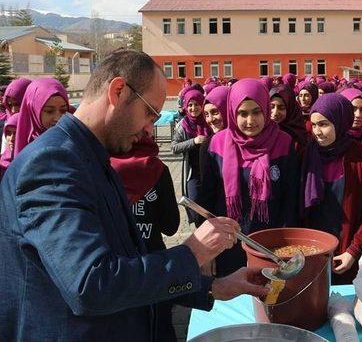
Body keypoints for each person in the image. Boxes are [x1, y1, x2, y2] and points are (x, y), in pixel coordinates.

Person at [0, 49, 268, 341]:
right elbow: (91, 285)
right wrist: (191, 253)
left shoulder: (93, 156)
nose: (149, 129)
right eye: (150, 113)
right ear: (118, 91)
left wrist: (213, 287)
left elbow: (128, 264)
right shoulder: (53, 163)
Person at [198, 78, 300, 276]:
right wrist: (207, 253)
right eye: (242, 113)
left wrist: (286, 248)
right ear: (232, 112)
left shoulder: (284, 143)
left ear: (265, 109)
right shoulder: (214, 145)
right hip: (227, 246)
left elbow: (290, 201)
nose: (250, 121)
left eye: (256, 112)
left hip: (270, 246)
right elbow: (206, 202)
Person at [302, 93, 362, 284]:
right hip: (310, 254)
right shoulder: (306, 154)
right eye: (314, 125)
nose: (317, 132)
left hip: (345, 254)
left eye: (324, 124)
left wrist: (353, 251)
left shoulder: (361, 158)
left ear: (340, 122)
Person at [110, 135, 181, 341]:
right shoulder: (157, 169)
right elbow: (170, 226)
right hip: (154, 264)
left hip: (117, 268)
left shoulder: (101, 167)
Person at [172, 88, 210, 220]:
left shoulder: (209, 121)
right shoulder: (183, 125)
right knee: (194, 205)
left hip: (210, 171)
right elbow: (174, 147)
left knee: (210, 205)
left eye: (197, 104)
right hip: (193, 172)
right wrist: (193, 141)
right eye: (190, 105)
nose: (193, 108)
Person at [13, 77, 69, 156]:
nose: (58, 118)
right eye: (49, 111)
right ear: (33, 111)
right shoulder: (27, 149)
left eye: (63, 111)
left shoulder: (73, 140)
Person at [269, 84, 308, 153]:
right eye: (271, 107)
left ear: (290, 109)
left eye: (281, 108)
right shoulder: (263, 131)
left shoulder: (298, 134)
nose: (275, 113)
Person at [0, 112, 18, 180]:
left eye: (16, 133)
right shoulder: (2, 160)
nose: (11, 138)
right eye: (8, 133)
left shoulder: (30, 160)